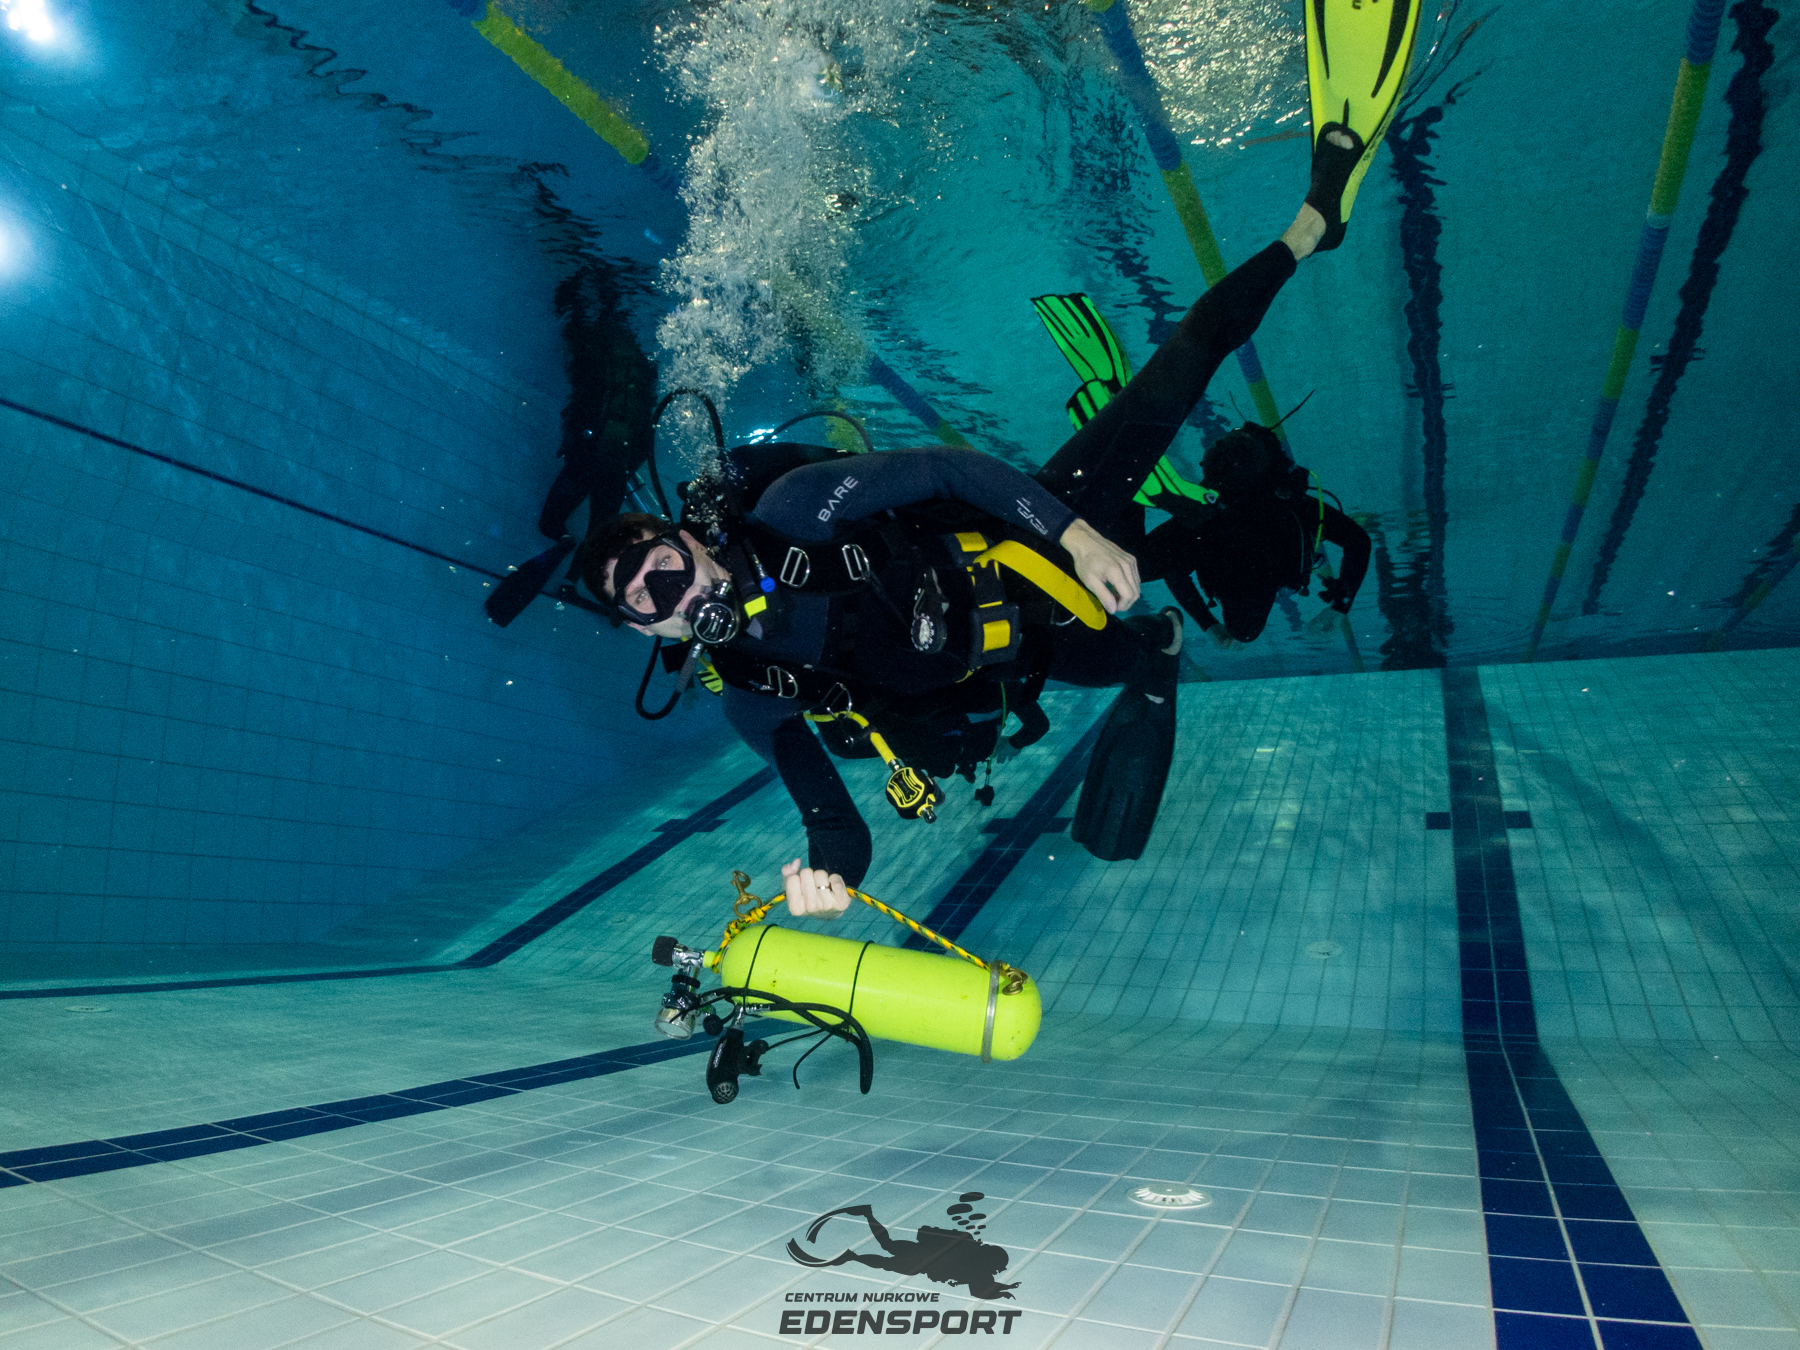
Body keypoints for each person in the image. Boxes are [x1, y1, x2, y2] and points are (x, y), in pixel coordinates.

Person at [582, 125, 1370, 912]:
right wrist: (828, 881)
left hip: (1019, 548)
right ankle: (1158, 640)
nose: (672, 594)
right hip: (1013, 657)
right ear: (645, 631)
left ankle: (1309, 229)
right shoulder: (750, 695)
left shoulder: (790, 512)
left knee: (1175, 371)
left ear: (687, 538)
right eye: (645, 599)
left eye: (664, 567)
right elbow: (834, 825)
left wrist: (1076, 537)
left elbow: (945, 469)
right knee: (1132, 664)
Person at [1136, 422, 1373, 647]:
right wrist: (1340, 606)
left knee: (1142, 565)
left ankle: (1131, 473)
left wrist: (1208, 624)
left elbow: (1172, 569)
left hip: (1226, 535)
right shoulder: (1295, 507)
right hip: (1240, 542)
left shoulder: (1205, 514)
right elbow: (1358, 540)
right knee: (1141, 567)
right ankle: (1131, 476)